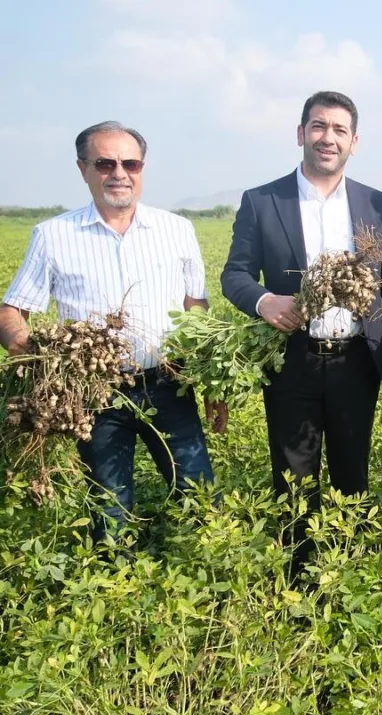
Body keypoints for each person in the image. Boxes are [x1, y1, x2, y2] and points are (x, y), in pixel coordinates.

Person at [220, 91, 382, 565]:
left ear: (354, 142)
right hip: (292, 359)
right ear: (300, 134)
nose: (327, 138)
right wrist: (265, 301)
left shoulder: (373, 202)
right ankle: (298, 574)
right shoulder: (263, 200)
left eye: (338, 130)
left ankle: (349, 569)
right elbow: (235, 274)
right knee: (293, 477)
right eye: (318, 126)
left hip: (357, 359)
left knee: (352, 472)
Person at [0, 121, 228, 540]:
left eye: (130, 164)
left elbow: (196, 308)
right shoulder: (52, 235)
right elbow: (12, 310)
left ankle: (207, 561)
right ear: (82, 168)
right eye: (105, 163)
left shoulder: (176, 230)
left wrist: (212, 380)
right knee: (109, 507)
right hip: (95, 393)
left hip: (168, 382)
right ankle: (114, 568)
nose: (119, 173)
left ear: (142, 168)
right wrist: (27, 348)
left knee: (198, 493)